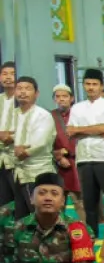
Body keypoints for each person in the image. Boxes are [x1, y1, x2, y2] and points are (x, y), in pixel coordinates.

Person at [68, 68, 104, 236]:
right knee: (89, 202)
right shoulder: (76, 107)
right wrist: (95, 130)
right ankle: (91, 236)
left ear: (102, 86)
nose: (91, 87)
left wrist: (81, 130)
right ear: (83, 85)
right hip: (84, 158)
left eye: (94, 84)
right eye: (88, 84)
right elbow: (70, 131)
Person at [10, 76, 56, 219]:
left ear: (36, 93)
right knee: (20, 218)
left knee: (39, 216)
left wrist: (18, 149)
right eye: (19, 88)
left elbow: (39, 143)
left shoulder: (43, 115)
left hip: (38, 173)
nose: (23, 92)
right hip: (17, 174)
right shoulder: (13, 114)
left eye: (27, 89)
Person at [49, 84, 85, 227]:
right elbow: (45, 141)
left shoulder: (80, 114)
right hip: (57, 166)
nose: (61, 99)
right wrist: (58, 156)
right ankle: (58, 232)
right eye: (58, 97)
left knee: (81, 202)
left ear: (72, 98)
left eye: (64, 96)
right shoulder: (49, 116)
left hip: (78, 163)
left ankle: (87, 233)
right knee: (57, 201)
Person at [0, 61, 17, 206]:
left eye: (12, 74)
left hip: (18, 159)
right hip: (1, 159)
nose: (8, 77)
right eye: (4, 74)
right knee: (4, 204)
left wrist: (10, 135)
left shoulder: (22, 99)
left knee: (22, 202)